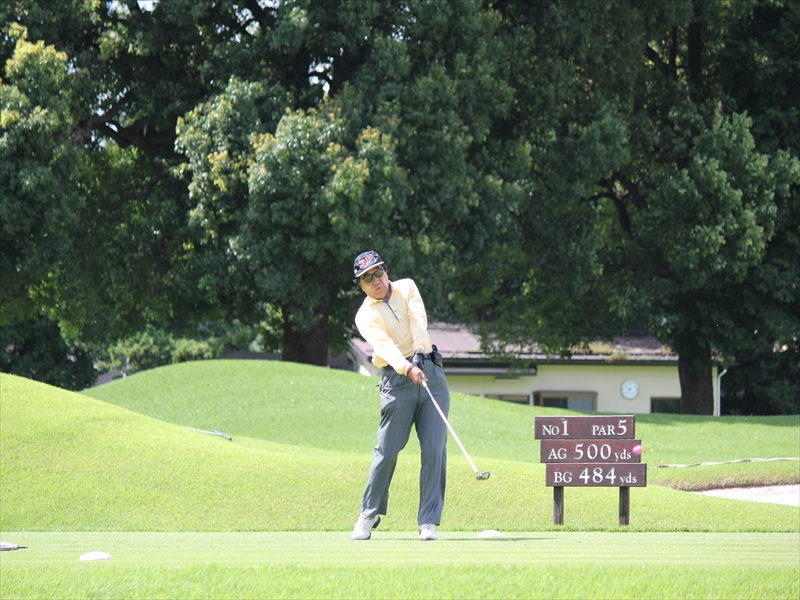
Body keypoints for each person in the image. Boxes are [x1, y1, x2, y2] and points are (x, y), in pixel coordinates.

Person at [350, 250, 449, 542]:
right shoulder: (365, 315)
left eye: (378, 272)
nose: (376, 280)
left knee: (434, 450)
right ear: (361, 286)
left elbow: (418, 320)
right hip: (397, 379)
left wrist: (418, 353)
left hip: (430, 371)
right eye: (367, 278)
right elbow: (384, 347)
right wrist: (407, 367)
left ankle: (428, 521)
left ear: (386, 270)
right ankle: (369, 513)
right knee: (387, 450)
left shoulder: (407, 287)